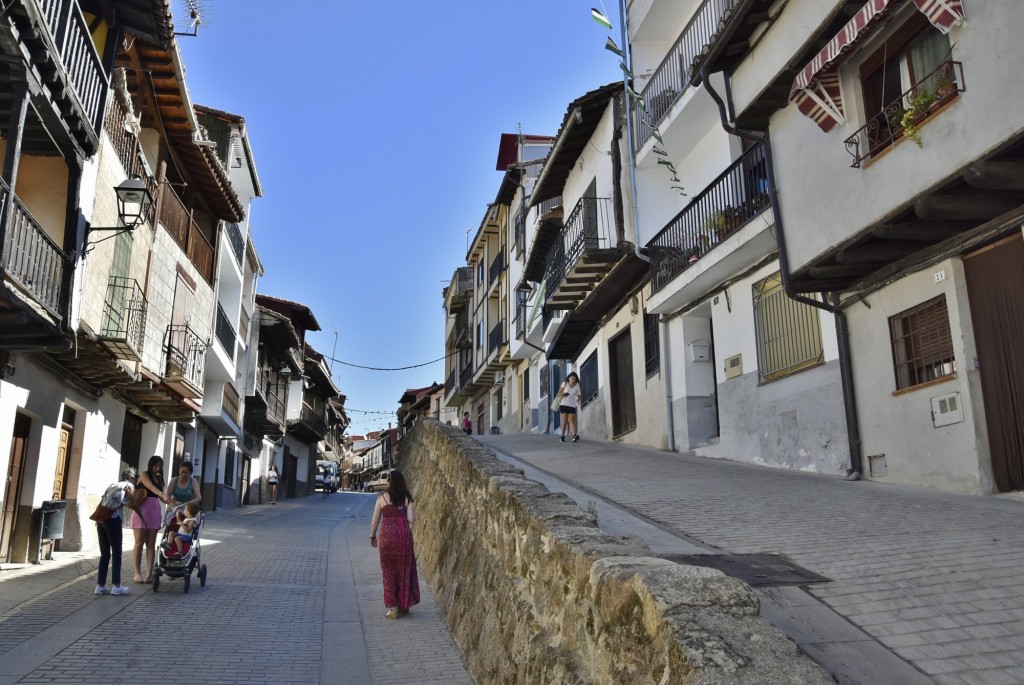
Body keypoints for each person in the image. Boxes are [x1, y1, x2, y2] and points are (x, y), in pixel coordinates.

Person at [369, 470, 420, 619]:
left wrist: (372, 536)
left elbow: (375, 522)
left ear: (389, 482)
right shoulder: (406, 498)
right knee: (404, 569)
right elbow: (412, 519)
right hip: (404, 538)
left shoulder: (381, 498)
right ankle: (404, 605)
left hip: (386, 538)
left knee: (389, 572)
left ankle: (392, 609)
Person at [95, 468, 138, 596]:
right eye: (135, 479)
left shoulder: (113, 485)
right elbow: (133, 504)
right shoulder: (128, 485)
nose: (135, 482)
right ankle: (116, 586)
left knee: (105, 554)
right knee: (117, 553)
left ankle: (100, 586)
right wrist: (142, 516)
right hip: (113, 520)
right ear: (131, 478)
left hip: (101, 519)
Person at [131, 456, 171, 583]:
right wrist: (162, 494)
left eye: (160, 466)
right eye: (156, 466)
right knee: (139, 542)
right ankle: (137, 573)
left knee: (151, 543)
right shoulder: (144, 474)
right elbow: (150, 487)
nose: (158, 468)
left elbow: (160, 496)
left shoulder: (159, 478)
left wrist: (170, 501)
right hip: (142, 509)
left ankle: (149, 574)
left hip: (154, 510)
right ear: (151, 465)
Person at [556, 372, 582, 443]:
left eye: (574, 379)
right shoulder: (565, 383)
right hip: (563, 404)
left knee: (571, 421)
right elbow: (559, 393)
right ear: (569, 379)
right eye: (571, 378)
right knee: (564, 421)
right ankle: (562, 437)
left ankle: (574, 436)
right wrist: (563, 394)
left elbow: (579, 395)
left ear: (576, 379)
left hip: (572, 405)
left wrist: (578, 400)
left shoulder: (577, 386)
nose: (573, 380)